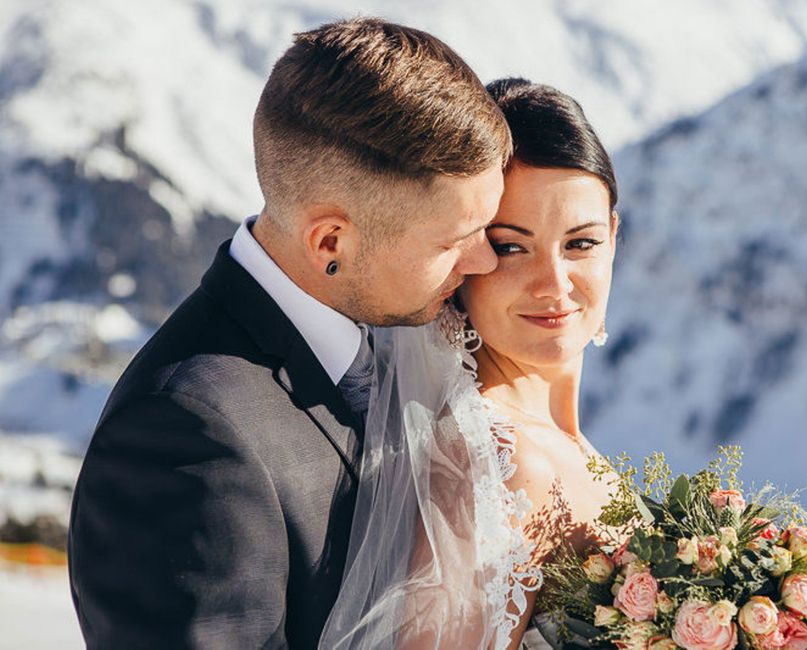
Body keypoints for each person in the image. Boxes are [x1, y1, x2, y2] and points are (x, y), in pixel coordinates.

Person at [67, 18, 510, 648]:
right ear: (331, 240)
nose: (483, 262)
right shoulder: (184, 434)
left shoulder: (399, 340)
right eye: (453, 240)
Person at [319, 77, 620, 650]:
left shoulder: (562, 445)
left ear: (614, 238)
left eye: (580, 243)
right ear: (465, 258)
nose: (555, 284)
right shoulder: (495, 465)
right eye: (511, 246)